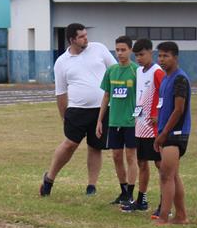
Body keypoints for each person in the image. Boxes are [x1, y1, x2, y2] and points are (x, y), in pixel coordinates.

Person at [39, 22, 116, 197]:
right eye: (81, 37)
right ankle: (49, 179)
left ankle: (91, 186)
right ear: (72, 40)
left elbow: (116, 71)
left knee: (95, 147)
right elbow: (61, 93)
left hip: (102, 109)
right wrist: (63, 116)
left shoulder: (99, 49)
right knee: (70, 145)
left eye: (86, 35)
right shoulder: (62, 62)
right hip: (77, 110)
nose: (85, 39)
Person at [122, 38, 164, 214]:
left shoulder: (157, 72)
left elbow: (165, 94)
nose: (139, 58)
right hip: (141, 126)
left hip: (154, 129)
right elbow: (141, 97)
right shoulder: (139, 72)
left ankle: (165, 204)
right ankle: (142, 200)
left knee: (160, 165)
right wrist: (135, 117)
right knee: (141, 162)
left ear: (150, 53)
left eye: (142, 54)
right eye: (136, 55)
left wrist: (159, 114)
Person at [97, 35, 138, 206]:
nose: (120, 53)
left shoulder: (136, 71)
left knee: (131, 157)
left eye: (123, 50)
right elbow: (106, 95)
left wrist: (138, 118)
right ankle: (122, 191)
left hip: (131, 122)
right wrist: (100, 120)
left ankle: (130, 193)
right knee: (115, 156)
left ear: (130, 50)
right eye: (118, 50)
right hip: (114, 121)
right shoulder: (111, 71)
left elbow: (141, 97)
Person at [153, 41, 190, 225]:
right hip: (166, 132)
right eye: (159, 55)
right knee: (173, 175)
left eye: (165, 56)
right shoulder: (166, 79)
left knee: (166, 175)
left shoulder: (179, 79)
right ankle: (181, 216)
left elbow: (178, 110)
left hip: (175, 133)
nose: (161, 59)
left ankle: (163, 217)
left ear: (175, 57)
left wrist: (164, 133)